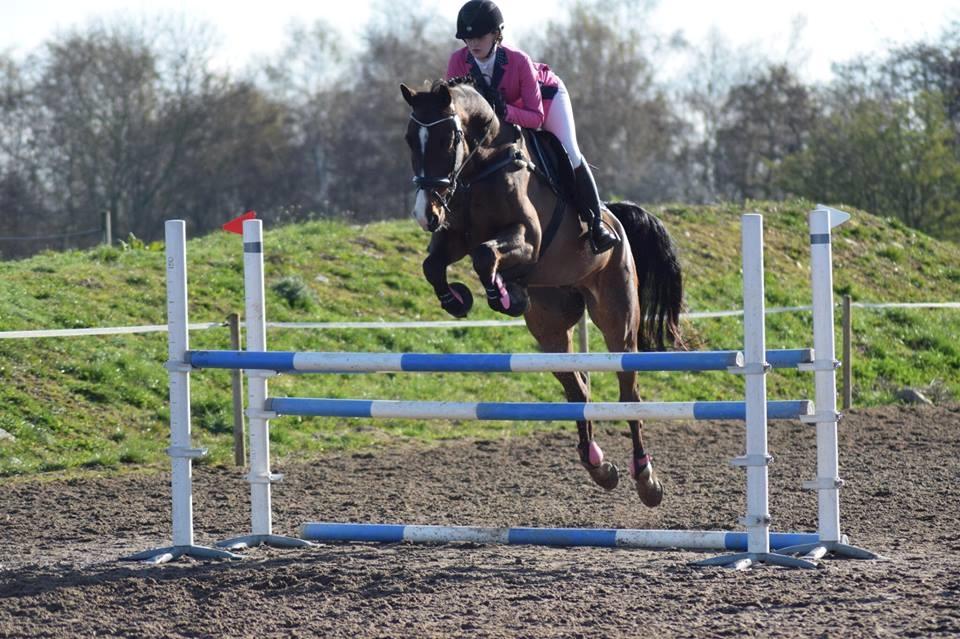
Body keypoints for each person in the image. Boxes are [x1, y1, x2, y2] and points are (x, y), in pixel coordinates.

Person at [446, 0, 620, 255]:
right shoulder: (458, 62)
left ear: (496, 34)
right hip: (503, 115)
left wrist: (504, 111)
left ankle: (596, 224)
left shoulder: (519, 61)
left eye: (479, 37)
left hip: (546, 98)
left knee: (569, 151)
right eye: (468, 38)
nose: (473, 44)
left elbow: (536, 117)